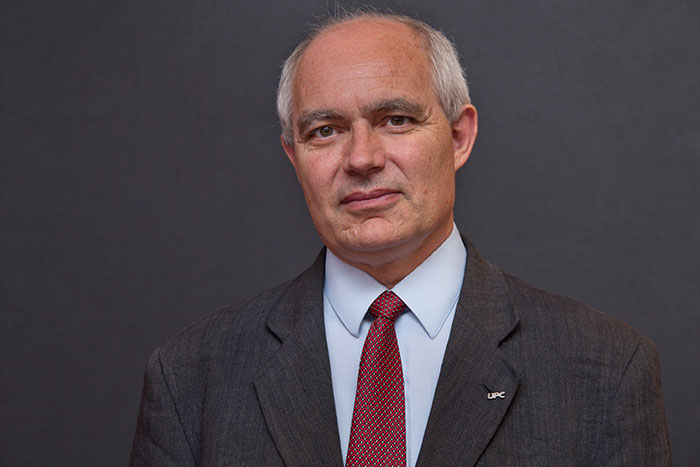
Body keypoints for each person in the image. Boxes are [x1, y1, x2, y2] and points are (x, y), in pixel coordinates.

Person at [129, 11, 671, 467]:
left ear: (459, 136)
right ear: (294, 157)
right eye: (325, 131)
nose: (362, 158)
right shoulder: (190, 378)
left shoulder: (606, 370)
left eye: (395, 119)